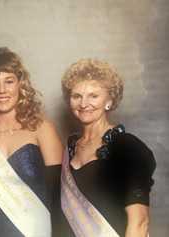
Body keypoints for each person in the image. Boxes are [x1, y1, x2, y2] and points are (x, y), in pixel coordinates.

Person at [0, 47, 63, 237]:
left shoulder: (42, 129)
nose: (2, 90)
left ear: (20, 85)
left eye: (9, 81)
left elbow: (60, 196)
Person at [52, 58, 156, 237]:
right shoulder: (69, 148)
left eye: (93, 95)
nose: (84, 104)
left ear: (109, 100)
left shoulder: (129, 148)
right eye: (77, 96)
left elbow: (139, 223)